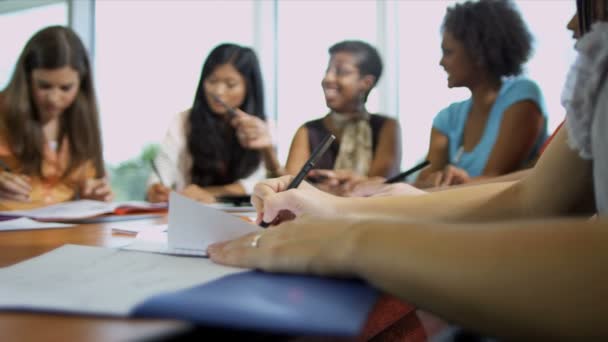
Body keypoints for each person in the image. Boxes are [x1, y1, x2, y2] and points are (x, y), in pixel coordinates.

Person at [208, 0, 608, 339]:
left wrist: (354, 236)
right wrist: (340, 211)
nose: (574, 22)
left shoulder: (524, 97)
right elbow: (533, 196)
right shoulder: (446, 116)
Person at [414, 0, 548, 188]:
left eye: (448, 52)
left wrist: (447, 184)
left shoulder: (522, 96)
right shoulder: (447, 118)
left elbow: (496, 178)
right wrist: (429, 180)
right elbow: (426, 178)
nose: (441, 63)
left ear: (478, 52)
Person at [146, 43, 280, 203]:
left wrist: (267, 149)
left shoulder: (264, 127)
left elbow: (260, 184)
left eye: (231, 84)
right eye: (211, 81)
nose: (218, 92)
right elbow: (163, 169)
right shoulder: (183, 121)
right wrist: (156, 188)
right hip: (192, 214)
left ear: (249, 87)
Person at [0, 26, 112, 210]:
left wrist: (93, 194)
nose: (54, 98)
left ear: (81, 83)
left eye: (65, 88)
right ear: (27, 78)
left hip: (67, 229)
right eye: (44, 86)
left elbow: (91, 181)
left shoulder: (83, 121)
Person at [284, 40, 401, 195]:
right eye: (327, 71)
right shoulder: (308, 130)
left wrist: (319, 190)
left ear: (366, 82)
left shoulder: (387, 127)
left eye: (341, 72)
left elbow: (384, 186)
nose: (328, 79)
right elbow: (290, 185)